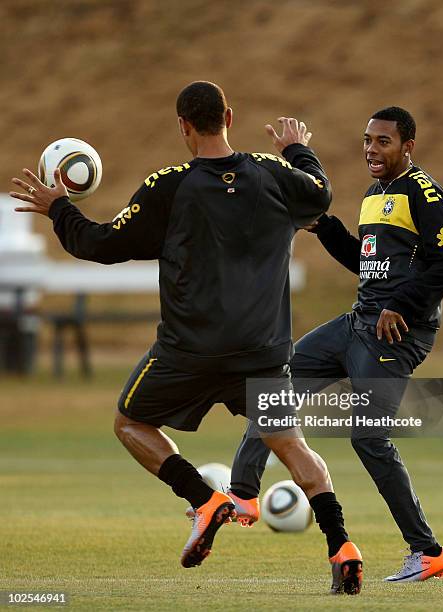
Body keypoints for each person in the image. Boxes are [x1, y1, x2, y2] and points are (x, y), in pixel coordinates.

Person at [10, 81, 363, 595]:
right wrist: (296, 148)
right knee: (290, 445)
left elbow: (101, 244)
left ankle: (204, 499)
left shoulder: (168, 186)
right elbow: (320, 190)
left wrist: (59, 208)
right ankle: (343, 545)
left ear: (183, 126)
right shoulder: (275, 174)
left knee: (130, 421)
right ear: (230, 117)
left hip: (191, 350)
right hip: (262, 349)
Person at [229, 106, 443, 583]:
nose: (371, 149)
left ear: (408, 147)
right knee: (277, 387)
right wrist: (326, 227)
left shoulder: (423, 193)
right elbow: (366, 264)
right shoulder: (374, 194)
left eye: (383, 141)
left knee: (368, 437)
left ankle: (427, 552)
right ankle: (241, 494)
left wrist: (401, 305)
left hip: (396, 332)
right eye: (367, 140)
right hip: (359, 321)